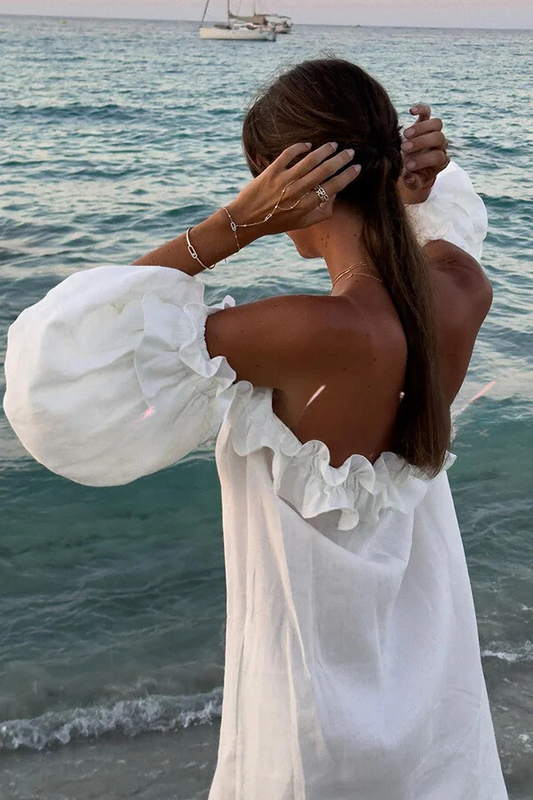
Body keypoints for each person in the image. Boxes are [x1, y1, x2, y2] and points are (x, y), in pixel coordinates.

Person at [3, 58, 508, 799]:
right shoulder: (462, 286)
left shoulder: (302, 333)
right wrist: (404, 197)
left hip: (309, 717)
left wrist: (232, 226)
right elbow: (433, 240)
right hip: (430, 695)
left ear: (290, 182)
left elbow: (67, 357)